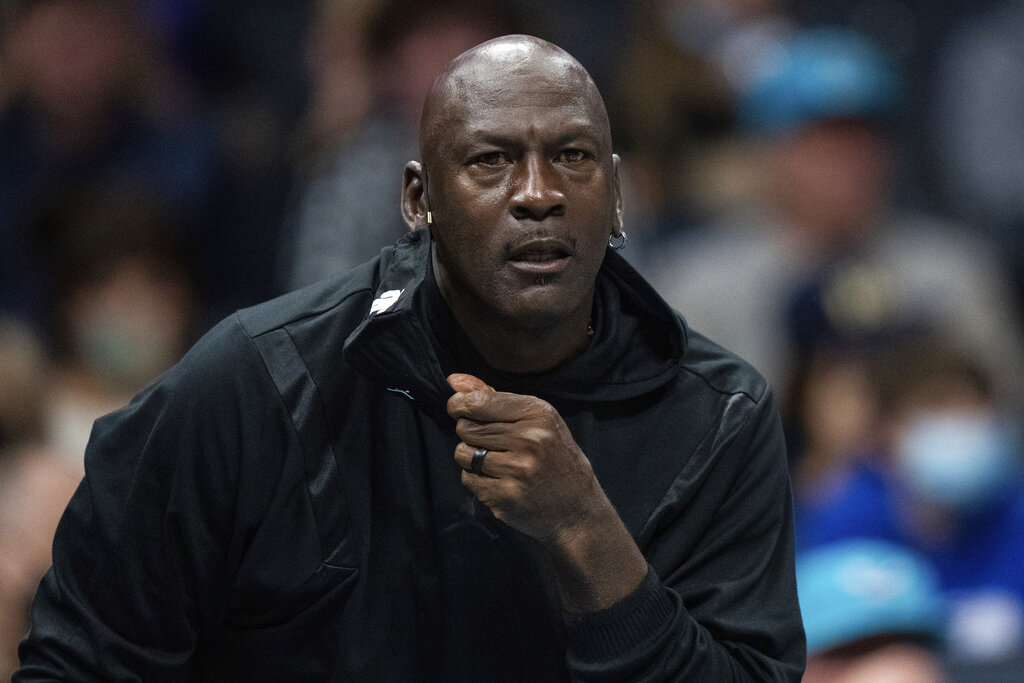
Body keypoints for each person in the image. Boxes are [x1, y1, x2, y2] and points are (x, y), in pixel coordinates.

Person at [16, 35, 805, 680]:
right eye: (491, 160)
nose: (538, 191)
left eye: (572, 156)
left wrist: (584, 528)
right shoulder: (257, 380)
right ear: (417, 199)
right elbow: (82, 661)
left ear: (620, 195)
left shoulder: (719, 418)